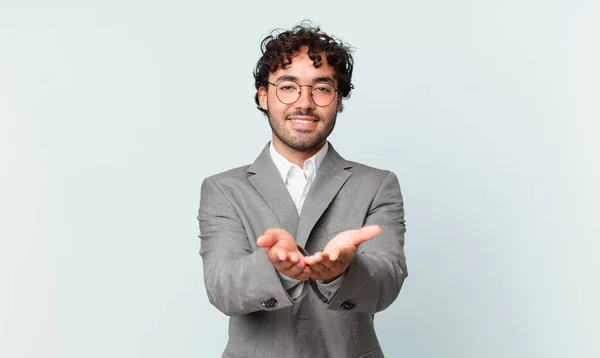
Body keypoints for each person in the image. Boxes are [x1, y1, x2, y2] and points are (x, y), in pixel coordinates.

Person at [198, 22, 407, 358]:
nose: (304, 103)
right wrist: (273, 267)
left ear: (339, 100)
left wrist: (342, 271)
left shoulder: (377, 184)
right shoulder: (223, 189)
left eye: (321, 88)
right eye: (288, 87)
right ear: (263, 96)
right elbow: (222, 288)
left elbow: (387, 281)